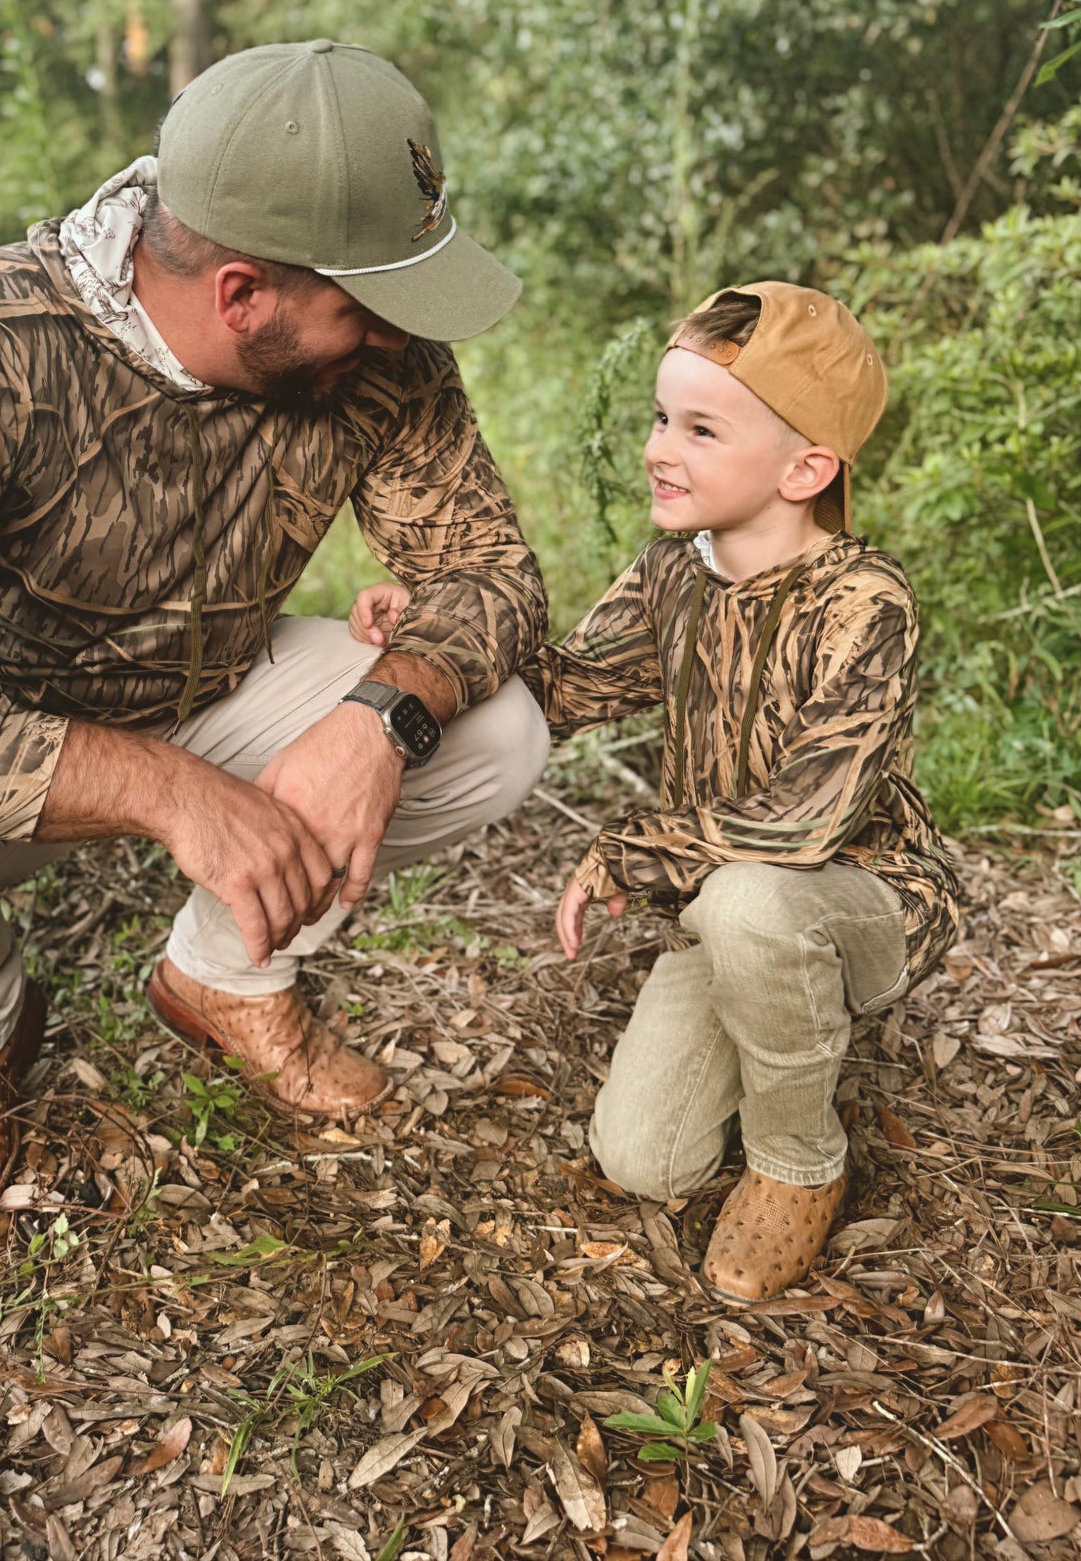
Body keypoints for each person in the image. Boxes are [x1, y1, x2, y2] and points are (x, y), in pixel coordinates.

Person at [0, 39, 551, 1230]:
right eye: (363, 305)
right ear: (240, 295)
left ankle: (224, 975)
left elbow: (488, 572)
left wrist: (380, 717)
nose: (393, 337)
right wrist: (168, 793)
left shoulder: (384, 359)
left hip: (213, 689)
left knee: (495, 729)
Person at [349, 283, 960, 1302]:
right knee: (645, 1158)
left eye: (700, 428)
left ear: (804, 468)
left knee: (747, 902)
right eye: (657, 418)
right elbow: (559, 685)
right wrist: (435, 630)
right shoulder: (674, 573)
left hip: (860, 894)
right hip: (721, 903)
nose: (657, 448)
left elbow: (807, 819)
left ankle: (798, 1157)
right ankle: (779, 1010)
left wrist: (632, 852)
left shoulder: (865, 601)